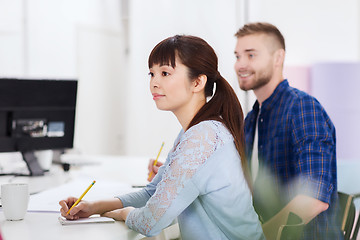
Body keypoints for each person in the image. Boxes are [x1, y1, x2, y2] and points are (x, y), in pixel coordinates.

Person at [59, 35, 265, 240]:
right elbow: (152, 192)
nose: (154, 83)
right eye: (152, 73)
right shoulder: (194, 131)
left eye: (165, 73)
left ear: (198, 82)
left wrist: (120, 213)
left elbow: (150, 221)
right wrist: (94, 206)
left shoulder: (203, 137)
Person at [234, 22, 342, 239]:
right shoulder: (252, 119)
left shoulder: (302, 108)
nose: (240, 65)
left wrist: (262, 235)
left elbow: (314, 199)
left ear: (278, 58)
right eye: (237, 56)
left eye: (251, 55)